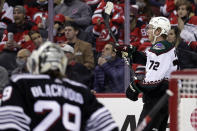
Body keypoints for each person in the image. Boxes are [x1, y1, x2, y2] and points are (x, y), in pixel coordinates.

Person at [0, 41, 119, 131]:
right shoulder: (81, 91)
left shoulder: (21, 83)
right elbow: (108, 127)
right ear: (62, 64)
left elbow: (9, 124)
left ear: (36, 63)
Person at [126, 16, 178, 131]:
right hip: (165, 100)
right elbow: (148, 59)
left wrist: (135, 86)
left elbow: (152, 83)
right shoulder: (165, 47)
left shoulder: (159, 49)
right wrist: (130, 53)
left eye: (150, 28)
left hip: (157, 101)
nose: (147, 31)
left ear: (158, 31)